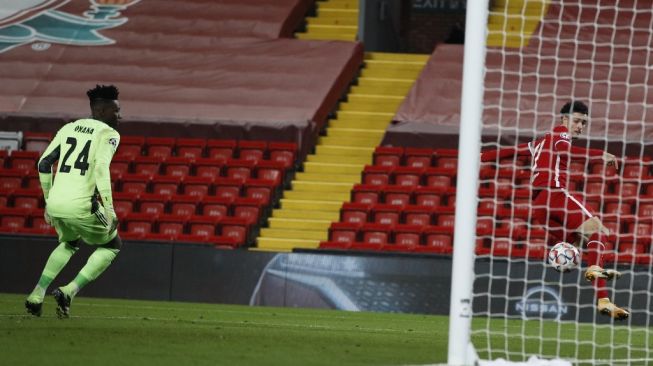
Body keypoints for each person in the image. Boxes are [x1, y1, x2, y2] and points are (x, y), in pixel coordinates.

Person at [480, 101, 629, 320]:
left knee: (584, 243)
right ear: (564, 120)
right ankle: (595, 270)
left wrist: (481, 157)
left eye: (584, 123)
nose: (579, 126)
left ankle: (603, 300)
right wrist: (601, 154)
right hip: (555, 194)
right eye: (577, 121)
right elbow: (565, 149)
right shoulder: (561, 134)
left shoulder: (540, 143)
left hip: (540, 208)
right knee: (600, 232)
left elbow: (512, 151)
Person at [25, 84, 123, 318]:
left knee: (69, 243)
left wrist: (48, 202)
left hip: (57, 203)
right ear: (101, 111)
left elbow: (43, 164)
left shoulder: (68, 128)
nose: (119, 115)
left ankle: (36, 294)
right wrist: (110, 209)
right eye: (115, 110)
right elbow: (100, 168)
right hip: (82, 205)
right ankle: (68, 291)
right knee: (112, 245)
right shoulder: (109, 134)